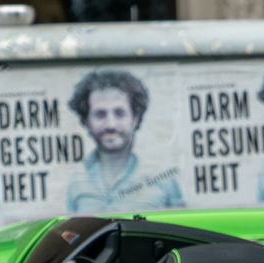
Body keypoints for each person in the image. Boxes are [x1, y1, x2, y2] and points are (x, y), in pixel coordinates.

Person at [63, 67, 185, 214]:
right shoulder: (76, 183)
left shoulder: (163, 180)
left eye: (120, 113)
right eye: (100, 114)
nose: (110, 124)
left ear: (135, 119)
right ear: (86, 121)